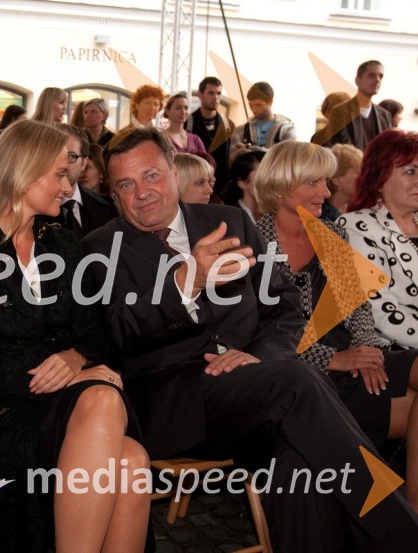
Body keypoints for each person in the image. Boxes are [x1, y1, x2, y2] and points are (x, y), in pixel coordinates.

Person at [80, 126, 418, 553]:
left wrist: (257, 357)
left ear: (172, 171)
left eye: (150, 176)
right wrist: (190, 281)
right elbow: (122, 331)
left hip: (257, 390)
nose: (141, 193)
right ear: (113, 194)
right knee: (297, 381)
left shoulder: (229, 221)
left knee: (298, 464)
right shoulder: (99, 248)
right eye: (126, 185)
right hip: (176, 405)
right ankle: (404, 536)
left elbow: (283, 302)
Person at [0, 119, 149, 553]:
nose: (69, 187)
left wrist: (75, 358)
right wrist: (62, 376)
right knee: (111, 416)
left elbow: (97, 335)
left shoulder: (65, 246)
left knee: (133, 462)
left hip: (69, 406)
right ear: (22, 172)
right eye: (59, 175)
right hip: (0, 414)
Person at [254, 140, 418, 510]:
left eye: (326, 182)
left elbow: (358, 306)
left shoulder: (332, 232)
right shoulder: (251, 245)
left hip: (352, 354)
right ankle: (402, 519)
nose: (326, 192)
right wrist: (333, 358)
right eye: (314, 183)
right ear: (281, 185)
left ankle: (409, 515)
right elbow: (259, 338)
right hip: (301, 374)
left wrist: (369, 351)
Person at [338, 129, 418, 350]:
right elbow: (379, 313)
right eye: (410, 171)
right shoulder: (355, 227)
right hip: (389, 350)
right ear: (379, 179)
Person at [45, 124, 117, 239]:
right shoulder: (34, 211)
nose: (63, 164)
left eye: (70, 156)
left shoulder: (108, 208)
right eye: (55, 155)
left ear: (84, 163)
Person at [324, 60, 392, 150]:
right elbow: (337, 150)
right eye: (371, 75)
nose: (377, 80)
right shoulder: (340, 112)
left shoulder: (385, 115)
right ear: (357, 80)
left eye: (381, 76)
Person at [186, 77, 235, 192]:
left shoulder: (226, 125)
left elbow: (226, 160)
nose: (216, 98)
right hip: (193, 186)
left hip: (220, 189)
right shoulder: (188, 122)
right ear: (200, 94)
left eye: (219, 93)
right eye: (211, 93)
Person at [231, 81, 296, 151]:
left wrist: (250, 148)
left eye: (258, 105)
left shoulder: (287, 129)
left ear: (270, 101)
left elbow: (286, 156)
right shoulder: (241, 131)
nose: (254, 110)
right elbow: (233, 158)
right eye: (251, 105)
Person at [163, 93, 212, 163]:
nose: (183, 111)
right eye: (178, 108)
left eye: (186, 108)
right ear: (167, 111)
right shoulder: (161, 138)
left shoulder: (195, 139)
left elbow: (207, 163)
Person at [219, 149, 265, 222]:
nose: (269, 180)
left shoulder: (274, 217)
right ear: (242, 182)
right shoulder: (229, 218)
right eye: (262, 174)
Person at [322, 143, 362, 221]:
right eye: (358, 172)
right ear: (337, 180)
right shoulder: (322, 218)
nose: (363, 177)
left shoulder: (359, 208)